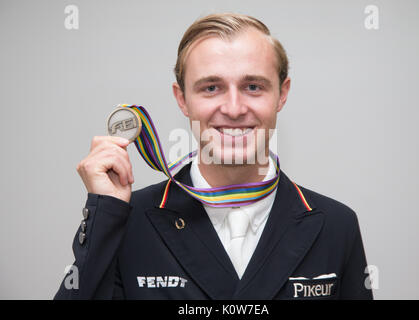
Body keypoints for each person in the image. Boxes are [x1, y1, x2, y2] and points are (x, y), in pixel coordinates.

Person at [55, 13, 373, 300]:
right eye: (211, 88)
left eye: (253, 86)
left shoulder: (336, 225)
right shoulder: (125, 221)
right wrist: (104, 212)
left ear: (282, 93)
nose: (234, 109)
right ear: (182, 99)